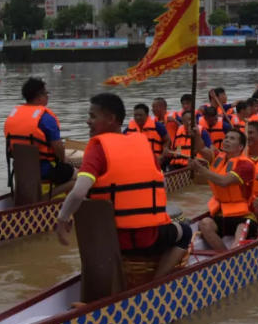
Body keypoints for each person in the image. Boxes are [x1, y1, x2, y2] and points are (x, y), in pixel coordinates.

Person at [55, 93, 192, 280]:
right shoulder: (143, 144)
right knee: (186, 230)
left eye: (93, 116)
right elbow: (162, 185)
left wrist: (62, 220)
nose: (88, 121)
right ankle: (156, 281)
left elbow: (79, 192)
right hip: (149, 237)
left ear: (111, 119)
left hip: (111, 239)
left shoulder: (97, 148)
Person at [4, 77, 74, 194]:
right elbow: (57, 146)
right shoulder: (46, 118)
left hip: (20, 170)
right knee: (80, 177)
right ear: (40, 96)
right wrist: (64, 162)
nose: (48, 96)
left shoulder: (13, 116)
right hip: (44, 170)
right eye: (46, 93)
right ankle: (47, 198)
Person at [189, 130, 256, 252]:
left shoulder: (246, 165)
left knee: (239, 236)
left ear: (240, 147)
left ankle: (234, 251)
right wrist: (196, 135)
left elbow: (223, 181)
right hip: (221, 213)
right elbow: (200, 148)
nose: (226, 140)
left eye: (232, 138)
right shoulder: (217, 157)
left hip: (243, 216)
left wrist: (200, 169)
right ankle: (223, 255)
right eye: (226, 137)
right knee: (204, 224)